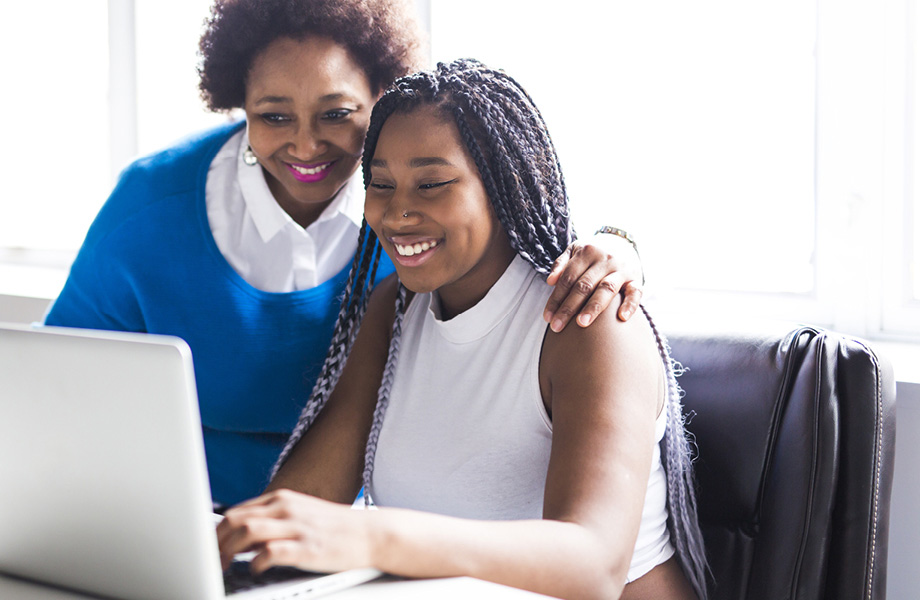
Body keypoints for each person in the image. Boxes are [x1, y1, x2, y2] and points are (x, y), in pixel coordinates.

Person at [41, 0, 647, 507]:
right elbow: (53, 383)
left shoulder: (413, 228)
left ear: (382, 98)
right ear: (239, 107)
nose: (306, 144)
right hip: (177, 515)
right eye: (273, 116)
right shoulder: (151, 206)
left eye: (336, 114)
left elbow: (531, 211)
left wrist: (623, 245)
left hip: (346, 540)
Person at [215, 60, 710, 600]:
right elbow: (305, 502)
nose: (398, 212)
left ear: (505, 187)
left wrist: (373, 535)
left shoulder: (588, 322)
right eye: (380, 184)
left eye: (431, 184)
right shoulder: (395, 311)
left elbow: (592, 567)